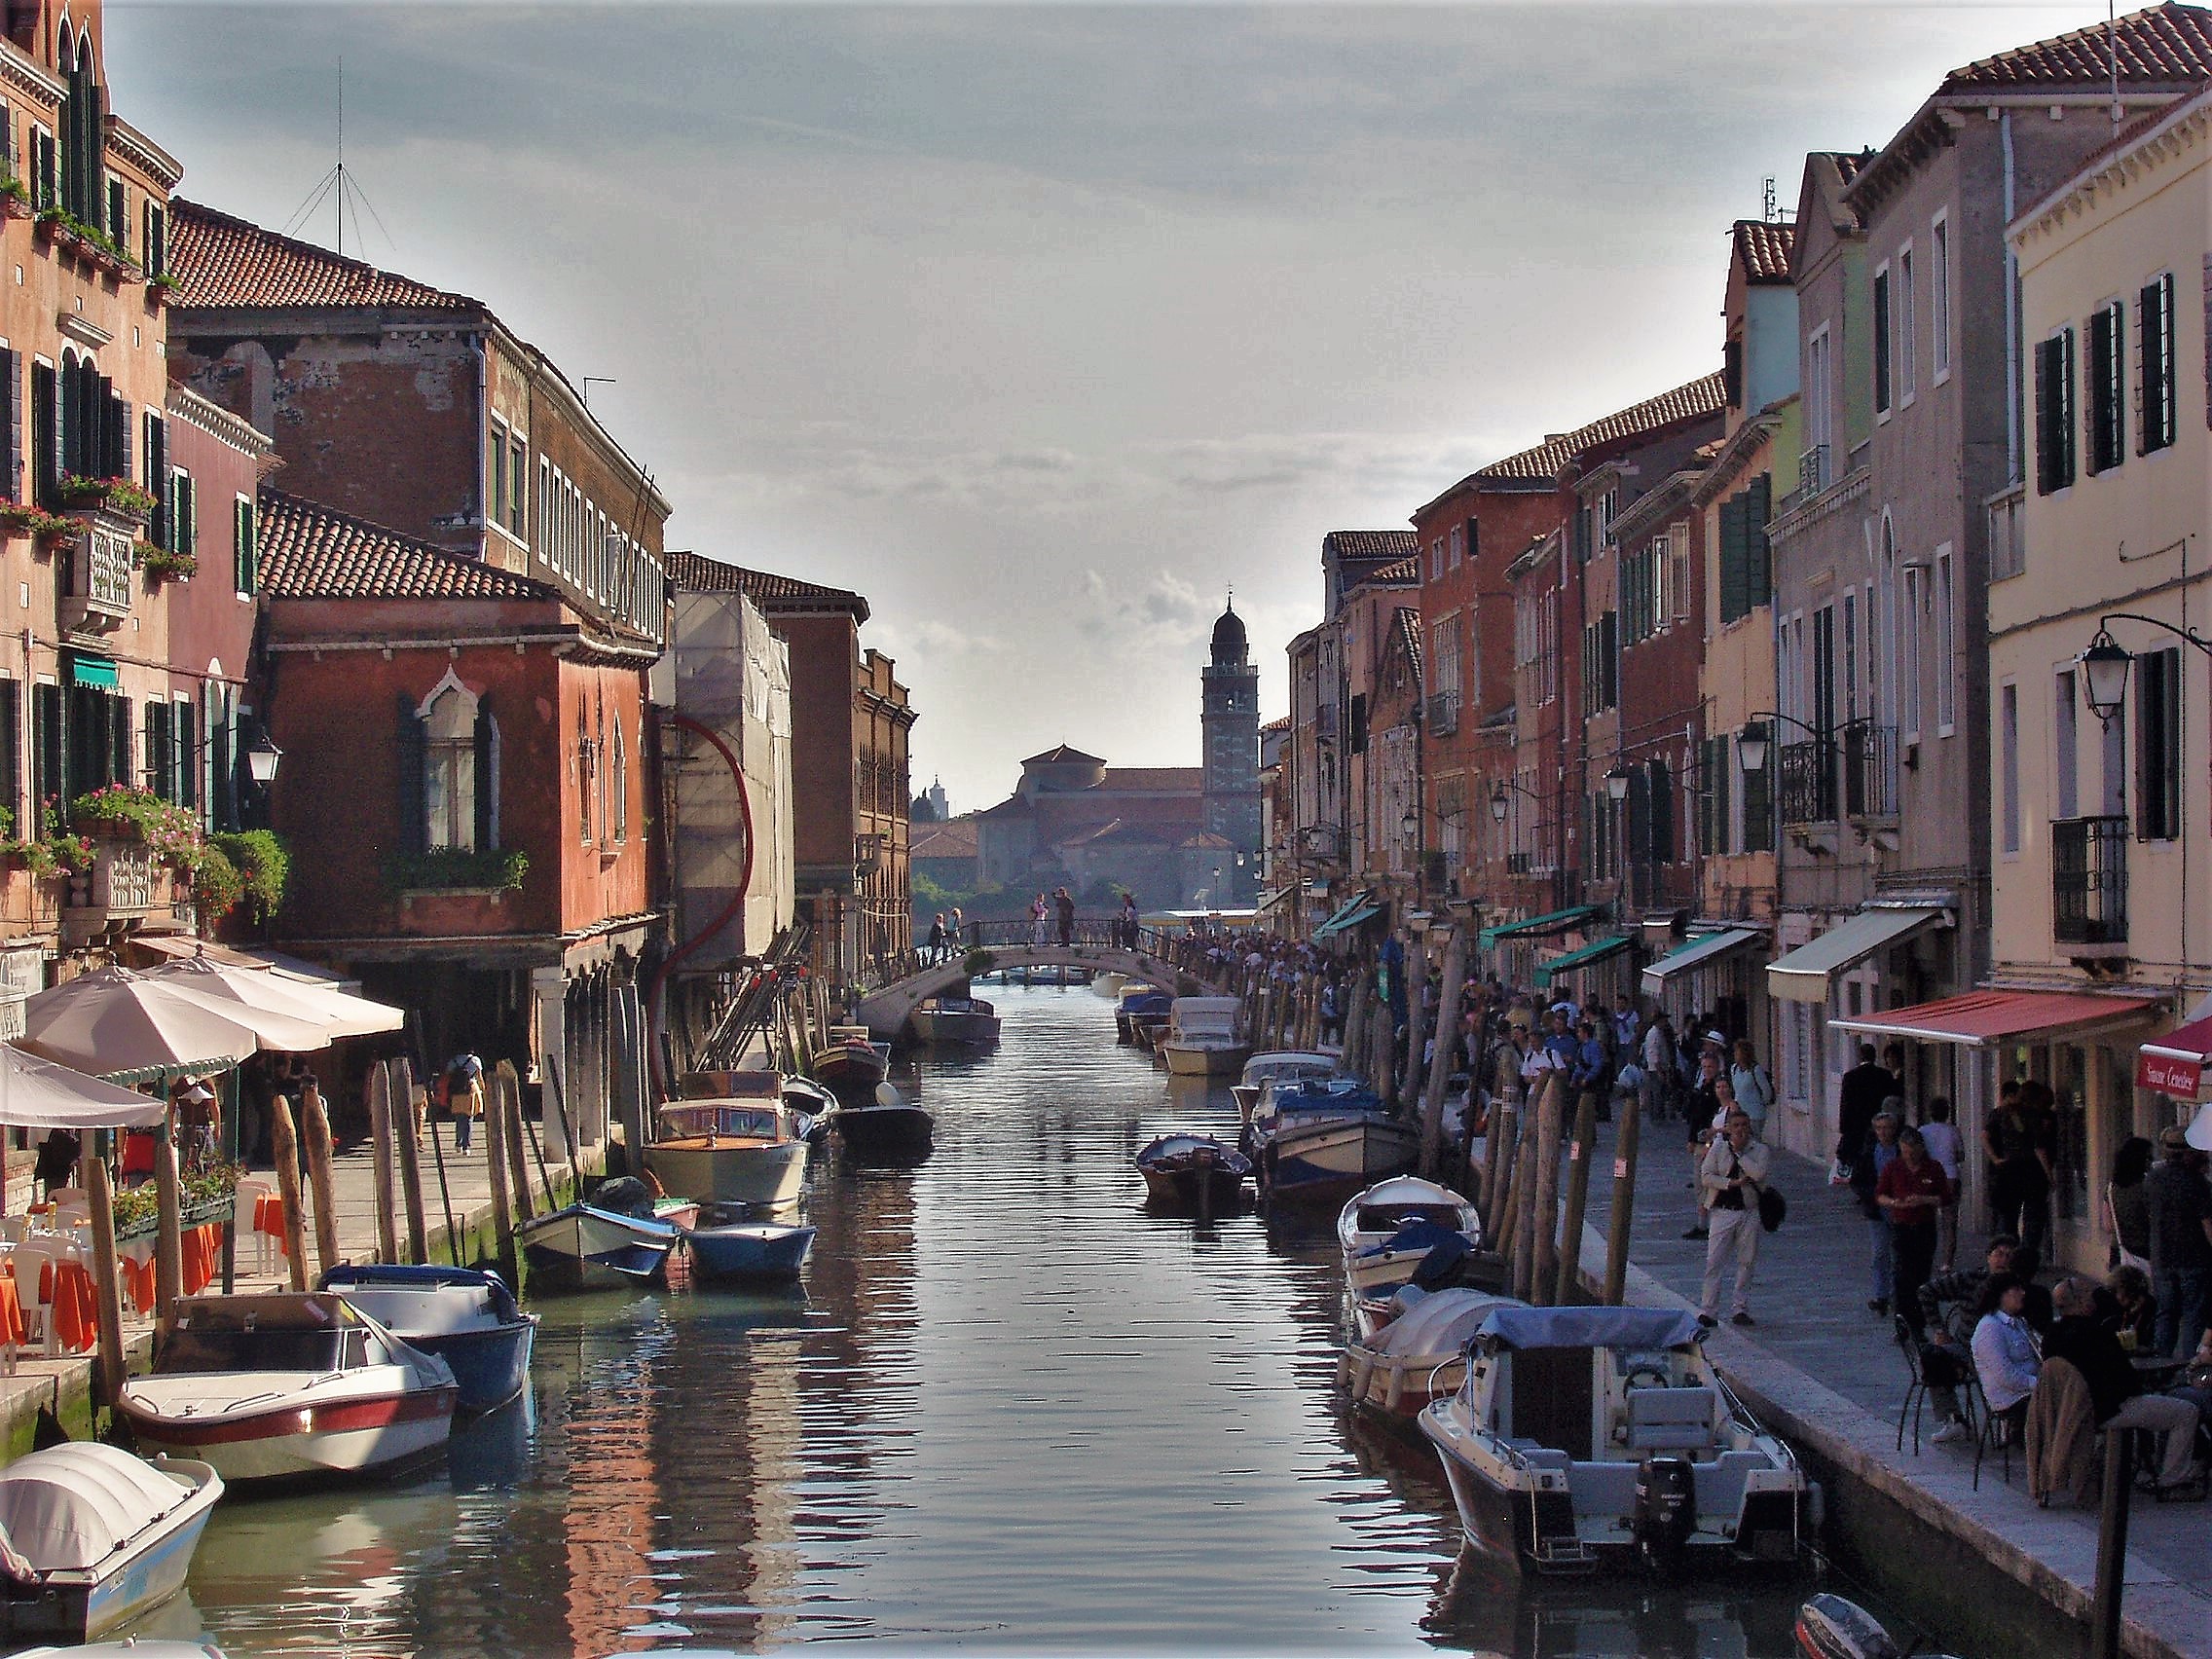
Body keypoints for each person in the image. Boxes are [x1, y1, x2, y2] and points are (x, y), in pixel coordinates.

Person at [2044, 1276, 2202, 1492]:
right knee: (2186, 1412)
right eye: (2089, 1295)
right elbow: (2125, 1379)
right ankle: (2172, 1479)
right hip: (2106, 1410)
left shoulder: (2051, 1337)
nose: (2094, 1299)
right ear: (2080, 1301)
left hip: (2067, 1410)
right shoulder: (2096, 1334)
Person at [1918, 1235, 2025, 1443]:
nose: (2003, 1260)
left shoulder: (2018, 1287)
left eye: (2009, 1256)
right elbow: (1926, 1292)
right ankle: (1954, 1419)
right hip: (1964, 1347)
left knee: (2004, 1367)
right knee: (1931, 1359)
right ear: (1988, 1257)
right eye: (1998, 1254)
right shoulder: (1970, 1279)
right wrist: (1939, 1329)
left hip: (2003, 1349)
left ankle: (2009, 1419)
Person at [1699, 1109, 1771, 1327]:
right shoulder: (1718, 1149)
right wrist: (1730, 1183)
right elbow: (1706, 1176)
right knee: (1714, 1262)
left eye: (1744, 1125)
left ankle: (1740, 1308)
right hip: (1722, 1211)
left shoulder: (1759, 1150)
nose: (1740, 1130)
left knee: (1746, 1261)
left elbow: (1758, 1174)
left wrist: (1740, 1154)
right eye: (1736, 1125)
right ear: (1728, 1129)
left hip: (1748, 1211)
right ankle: (1709, 1311)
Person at [2146, 1124, 2212, 1359]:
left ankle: (2161, 1364)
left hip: (2161, 1257)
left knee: (2166, 1313)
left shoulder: (2153, 1178)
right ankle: (2188, 1366)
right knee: (2193, 1316)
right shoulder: (2197, 1183)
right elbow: (2208, 1224)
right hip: (2194, 1258)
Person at [1878, 1126, 1950, 1337]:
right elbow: (1880, 1195)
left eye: (1912, 1152)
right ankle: (1902, 1324)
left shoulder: (1933, 1168)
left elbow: (1945, 1197)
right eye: (1904, 1151)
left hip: (1924, 1227)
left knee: (1921, 1275)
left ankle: (1918, 1324)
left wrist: (1924, 1200)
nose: (1908, 1156)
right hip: (1901, 1227)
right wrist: (1894, 1203)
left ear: (1921, 1149)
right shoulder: (1893, 1167)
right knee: (1901, 1276)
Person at [1986, 1078, 2056, 1267]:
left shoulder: (1999, 1114)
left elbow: (1985, 1136)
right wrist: (2049, 1175)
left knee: (2008, 1218)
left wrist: (1995, 1159)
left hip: (2007, 1170)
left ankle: (2007, 1256)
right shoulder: (2033, 1116)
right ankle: (2026, 1258)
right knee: (2033, 1219)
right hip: (2031, 1171)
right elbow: (2039, 1148)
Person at [1970, 1272, 2042, 1445]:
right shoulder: (1989, 1328)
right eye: (2016, 1289)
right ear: (2001, 1295)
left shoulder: (2019, 1322)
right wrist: (2040, 1384)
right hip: (2012, 1398)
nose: (2023, 1293)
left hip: (2031, 1388)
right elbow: (2006, 1376)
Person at [1853, 1109, 1903, 1314]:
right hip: (1877, 1210)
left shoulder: (1901, 1151)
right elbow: (1857, 1181)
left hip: (1900, 1208)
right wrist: (1872, 1196)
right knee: (1880, 1253)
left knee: (1899, 1253)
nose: (1883, 1132)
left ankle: (1897, 1294)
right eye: (1879, 1128)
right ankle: (1881, 1295)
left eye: (1887, 1128)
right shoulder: (1868, 1153)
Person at [1681, 1046, 1725, 1240]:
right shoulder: (1701, 1087)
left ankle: (1710, 1224)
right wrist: (1691, 1139)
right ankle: (1702, 1223)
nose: (1707, 1070)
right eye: (1704, 1066)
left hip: (1712, 1142)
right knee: (1700, 1183)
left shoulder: (1718, 1089)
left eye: (1710, 1066)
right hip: (1700, 1140)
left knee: (1708, 1183)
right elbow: (1695, 1116)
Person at [1918, 1097, 1964, 1271]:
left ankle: (1926, 1256)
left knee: (1926, 1219)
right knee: (1949, 1221)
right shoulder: (1954, 1131)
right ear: (1947, 1112)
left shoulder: (1922, 1131)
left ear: (1930, 1113)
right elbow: (1961, 1155)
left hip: (1929, 1176)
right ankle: (1947, 1262)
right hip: (1950, 1176)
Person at [1835, 1044, 1893, 1174]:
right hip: (1879, 1124)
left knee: (1858, 1160)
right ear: (1874, 1056)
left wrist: (1844, 1128)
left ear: (1860, 1057)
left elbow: (1845, 1104)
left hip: (1856, 1126)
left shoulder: (1850, 1077)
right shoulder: (1884, 1075)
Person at [2105, 1134, 2156, 1272]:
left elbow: (2108, 1225)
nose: (2152, 1162)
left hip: (2119, 1250)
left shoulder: (2111, 1188)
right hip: (2144, 1250)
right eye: (2149, 1158)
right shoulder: (2146, 1187)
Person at [1729, 1038, 1773, 1141]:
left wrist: (1761, 1103)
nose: (1735, 1054)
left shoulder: (1755, 1070)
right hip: (1740, 1112)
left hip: (1754, 1113)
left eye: (1737, 1052)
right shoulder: (1734, 1069)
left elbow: (1766, 1090)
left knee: (1753, 1140)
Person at [1572, 1017, 1610, 1126]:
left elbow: (1597, 1065)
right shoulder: (1582, 1046)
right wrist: (1574, 1078)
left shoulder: (1593, 1046)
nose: (1578, 1034)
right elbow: (1580, 1065)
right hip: (1585, 1076)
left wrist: (1587, 1078)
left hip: (1594, 1079)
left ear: (1585, 1033)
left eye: (1579, 1032)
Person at [444, 1052, 486, 1153]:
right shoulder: (475, 1060)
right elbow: (479, 1077)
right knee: (468, 1119)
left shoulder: (454, 1060)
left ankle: (458, 1143)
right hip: (470, 1089)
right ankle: (466, 1146)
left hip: (456, 1090)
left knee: (459, 1118)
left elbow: (448, 1074)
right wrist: (483, 1089)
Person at [32, 1127, 78, 1199]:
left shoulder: (62, 1134)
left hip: (54, 1171)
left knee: (54, 1195)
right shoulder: (60, 1134)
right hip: (57, 1171)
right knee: (56, 1195)